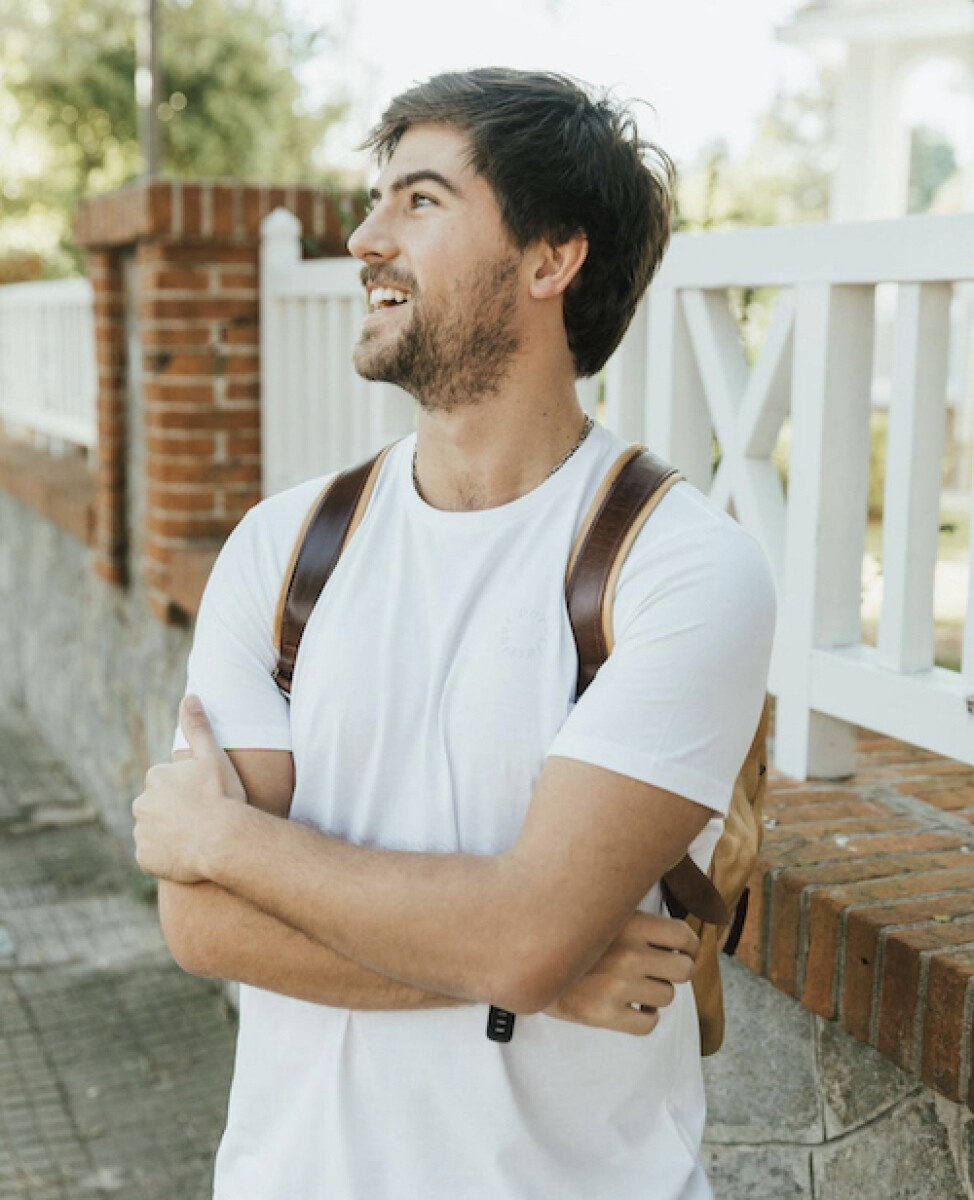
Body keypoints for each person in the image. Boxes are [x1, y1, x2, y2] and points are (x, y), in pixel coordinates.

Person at [132, 67, 776, 1200]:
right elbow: (199, 927)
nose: (364, 237)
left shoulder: (676, 568)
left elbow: (515, 937)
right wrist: (527, 967)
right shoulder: (285, 551)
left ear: (548, 258)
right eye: (376, 199)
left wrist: (229, 843)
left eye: (419, 201)